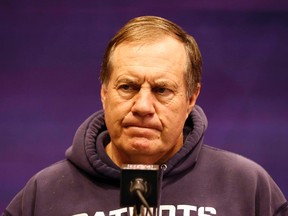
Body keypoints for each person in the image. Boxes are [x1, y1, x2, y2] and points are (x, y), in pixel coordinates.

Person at [2, 16, 287, 216]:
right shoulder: (42, 194)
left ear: (191, 98)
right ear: (104, 93)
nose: (143, 106)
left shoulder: (247, 186)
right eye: (127, 87)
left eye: (162, 90)